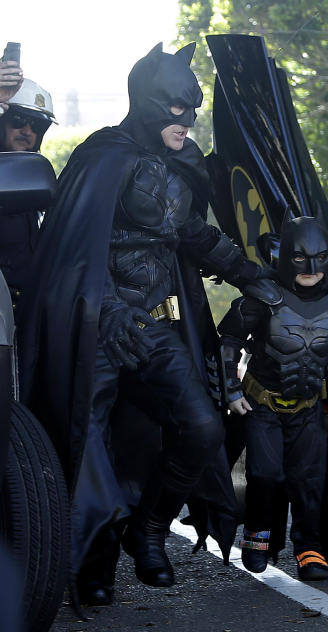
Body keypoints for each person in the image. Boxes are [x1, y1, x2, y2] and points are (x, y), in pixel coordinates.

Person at [17, 43, 260, 606]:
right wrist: (107, 309)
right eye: (177, 108)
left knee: (201, 425)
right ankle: (92, 564)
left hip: (153, 328)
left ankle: (148, 527)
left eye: (193, 108)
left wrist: (255, 276)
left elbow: (194, 235)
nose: (187, 120)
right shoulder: (102, 156)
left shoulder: (180, 163)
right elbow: (76, 249)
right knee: (86, 443)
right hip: (94, 326)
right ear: (149, 103)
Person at [218, 216, 328, 581]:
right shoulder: (263, 297)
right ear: (286, 257)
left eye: (318, 257)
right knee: (265, 475)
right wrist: (232, 391)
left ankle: (308, 549)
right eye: (300, 258)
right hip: (262, 404)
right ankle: (258, 537)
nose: (311, 268)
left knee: (308, 479)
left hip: (310, 407)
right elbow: (227, 343)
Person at [0, 78, 57, 307]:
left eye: (38, 125)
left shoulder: (39, 178)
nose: (27, 131)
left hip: (28, 310)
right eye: (18, 120)